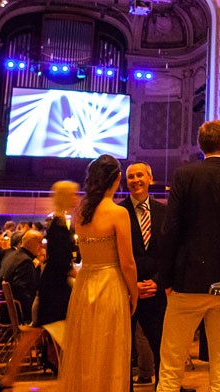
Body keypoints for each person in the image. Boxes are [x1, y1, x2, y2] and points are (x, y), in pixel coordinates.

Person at [156, 121, 220, 392]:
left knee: (171, 365)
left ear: (202, 146)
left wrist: (166, 278)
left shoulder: (184, 175)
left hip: (188, 280)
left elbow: (171, 230)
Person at [57, 157, 138, 392]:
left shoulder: (81, 211)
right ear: (118, 178)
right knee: (109, 349)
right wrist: (134, 293)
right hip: (110, 285)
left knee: (86, 351)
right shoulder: (117, 212)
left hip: (85, 285)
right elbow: (128, 263)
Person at [0, 181, 80, 390]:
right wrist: (77, 273)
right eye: (73, 194)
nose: (76, 198)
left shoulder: (59, 222)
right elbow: (61, 261)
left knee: (36, 333)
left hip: (53, 285)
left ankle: (11, 377)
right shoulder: (59, 224)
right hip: (56, 288)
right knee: (40, 333)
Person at [121, 162, 167, 387]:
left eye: (140, 175)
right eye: (130, 177)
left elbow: (170, 253)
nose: (135, 180)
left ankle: (165, 387)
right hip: (128, 294)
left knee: (162, 346)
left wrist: (157, 283)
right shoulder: (119, 213)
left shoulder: (165, 212)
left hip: (156, 292)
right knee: (125, 350)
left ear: (150, 178)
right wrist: (132, 286)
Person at [0, 229, 44, 318]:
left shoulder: (12, 255)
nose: (42, 246)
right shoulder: (25, 261)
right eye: (39, 242)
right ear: (30, 243)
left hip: (6, 306)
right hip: (17, 311)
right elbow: (21, 291)